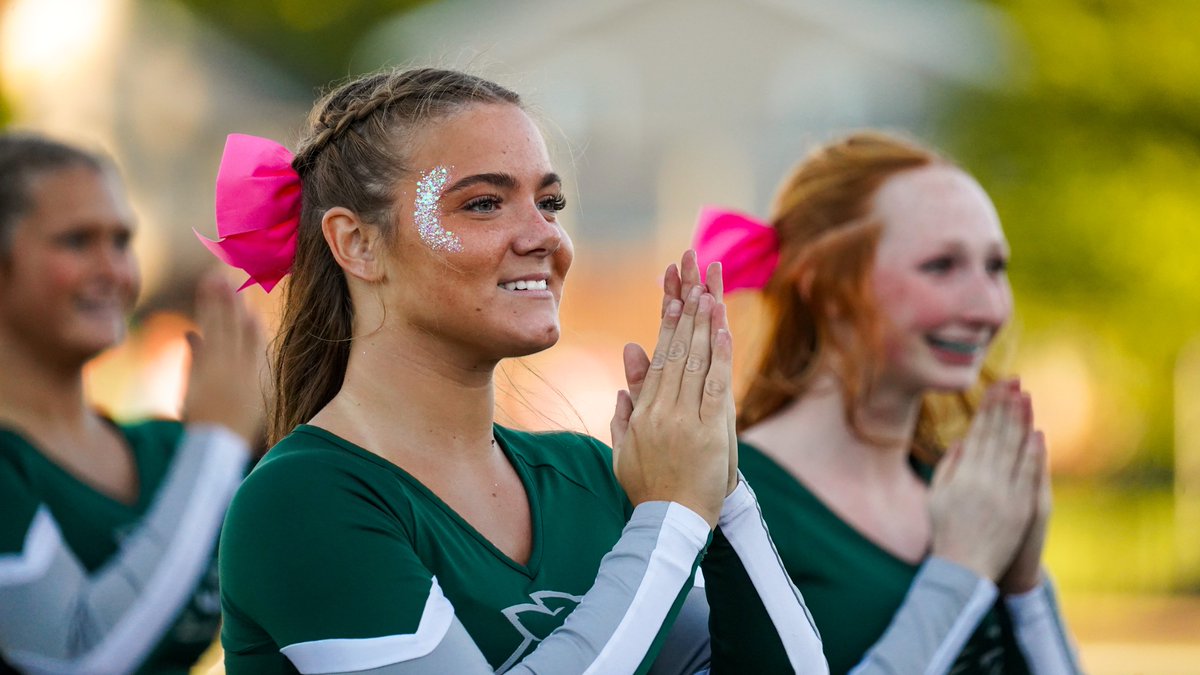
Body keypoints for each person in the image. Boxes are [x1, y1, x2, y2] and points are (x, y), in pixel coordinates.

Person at [206, 67, 828, 674]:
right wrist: (671, 517)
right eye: (483, 203)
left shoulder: (588, 475)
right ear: (358, 243)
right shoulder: (302, 501)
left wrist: (720, 489)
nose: (545, 236)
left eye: (550, 202)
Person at [693, 131, 1083, 674]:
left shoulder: (964, 489)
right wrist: (961, 572)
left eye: (995, 267)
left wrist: (1025, 584)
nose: (989, 308)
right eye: (942, 265)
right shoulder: (726, 500)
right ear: (824, 285)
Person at [0, 133, 265, 674]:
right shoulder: (203, 452)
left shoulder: (167, 451)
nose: (115, 272)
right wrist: (217, 443)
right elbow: (77, 655)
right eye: (77, 241)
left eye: (122, 242)